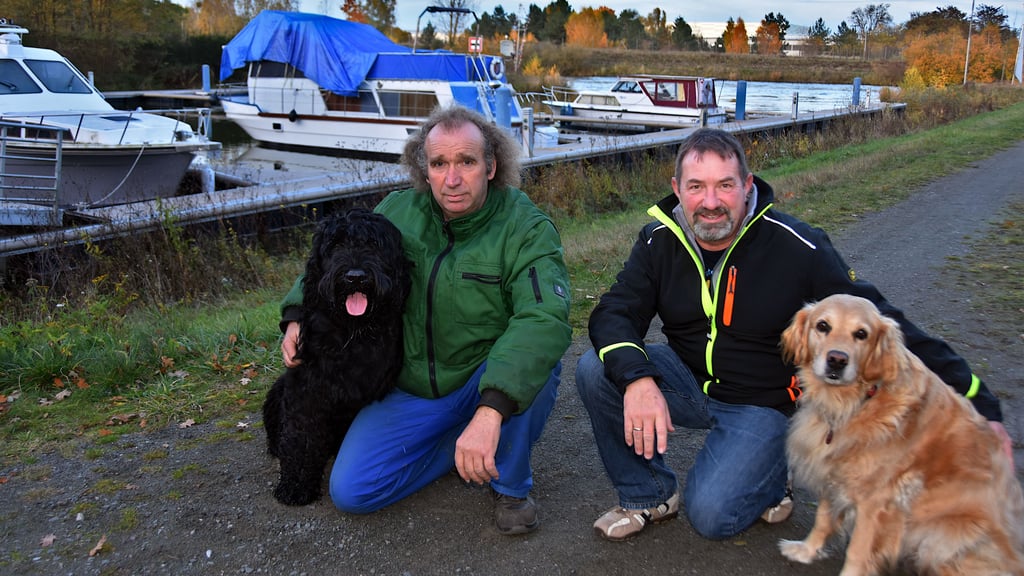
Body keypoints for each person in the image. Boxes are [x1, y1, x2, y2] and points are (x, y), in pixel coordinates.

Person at [575, 127, 1012, 542]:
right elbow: (614, 311)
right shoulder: (658, 240)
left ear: (748, 185)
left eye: (725, 185)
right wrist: (637, 380)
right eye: (696, 187)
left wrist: (980, 403)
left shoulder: (798, 246)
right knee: (598, 368)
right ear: (677, 189)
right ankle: (649, 495)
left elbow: (885, 323)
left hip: (762, 403)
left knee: (712, 516)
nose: (711, 201)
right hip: (689, 381)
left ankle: (775, 470)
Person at [279, 105, 572, 535]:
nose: (452, 180)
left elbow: (544, 318)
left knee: (538, 368)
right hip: (412, 383)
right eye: (439, 164)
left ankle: (510, 483)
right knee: (352, 491)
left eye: (466, 162)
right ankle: (459, 447)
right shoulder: (399, 209)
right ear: (424, 168)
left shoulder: (526, 227)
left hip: (484, 374)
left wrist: (491, 410)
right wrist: (295, 315)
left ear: (491, 166)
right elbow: (332, 258)